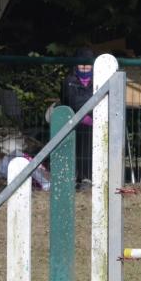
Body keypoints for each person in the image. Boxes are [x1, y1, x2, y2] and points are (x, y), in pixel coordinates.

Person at [61, 48, 95, 186]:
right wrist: (90, 101)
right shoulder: (69, 80)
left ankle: (87, 176)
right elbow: (72, 101)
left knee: (89, 134)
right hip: (73, 119)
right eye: (82, 64)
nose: (85, 68)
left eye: (88, 65)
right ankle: (76, 175)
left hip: (94, 121)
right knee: (82, 132)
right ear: (76, 65)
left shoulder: (98, 79)